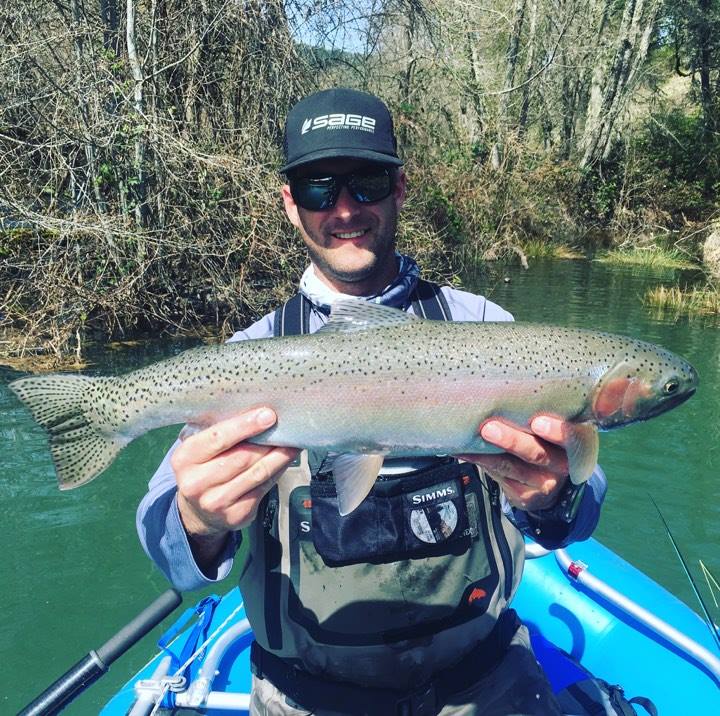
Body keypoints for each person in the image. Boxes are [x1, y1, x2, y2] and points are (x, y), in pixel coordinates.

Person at [137, 88, 607, 715]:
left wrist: (554, 498)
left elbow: (581, 506)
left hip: (483, 682)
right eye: (317, 189)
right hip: (307, 697)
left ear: (400, 189)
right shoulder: (251, 358)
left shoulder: (489, 329)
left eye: (366, 184)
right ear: (289, 204)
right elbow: (161, 534)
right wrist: (200, 524)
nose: (344, 209)